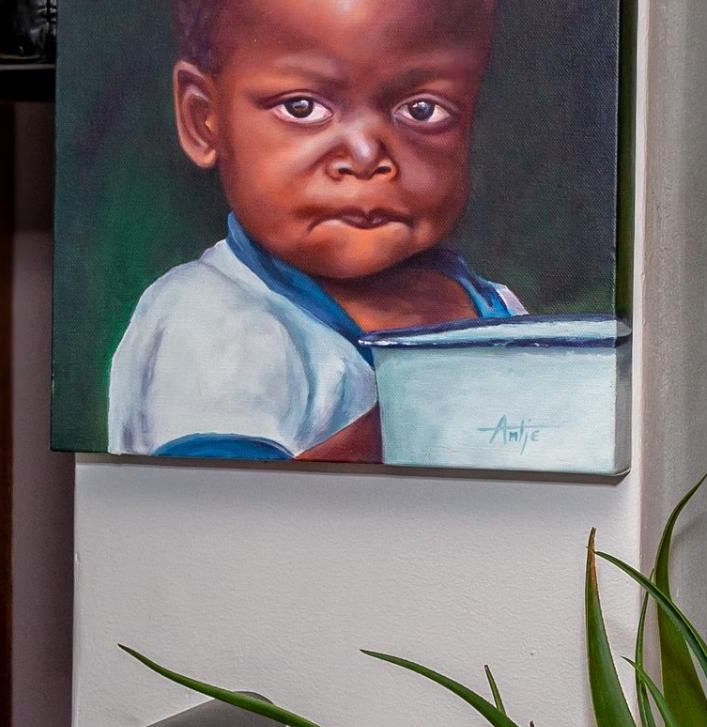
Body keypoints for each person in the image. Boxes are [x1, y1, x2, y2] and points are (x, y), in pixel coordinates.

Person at [108, 0, 525, 463]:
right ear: (204, 119)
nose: (366, 155)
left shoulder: (498, 308)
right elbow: (223, 514)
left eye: (422, 110)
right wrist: (419, 417)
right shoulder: (209, 316)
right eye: (303, 108)